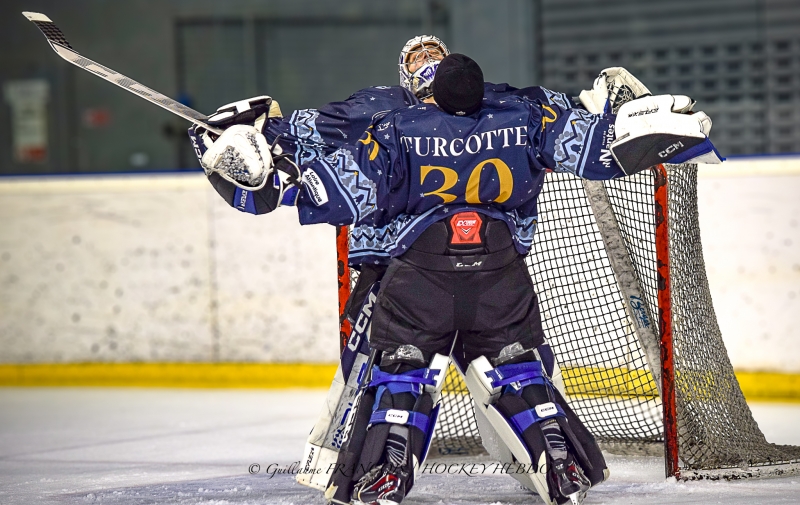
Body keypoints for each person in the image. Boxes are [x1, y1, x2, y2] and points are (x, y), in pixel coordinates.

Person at [191, 53, 721, 505]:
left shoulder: (396, 129)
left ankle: (388, 470)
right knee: (520, 371)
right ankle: (559, 461)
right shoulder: (522, 114)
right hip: (500, 274)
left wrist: (255, 173)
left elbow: (323, 194)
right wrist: (641, 126)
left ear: (434, 92)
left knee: (403, 373)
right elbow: (599, 148)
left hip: (418, 275)